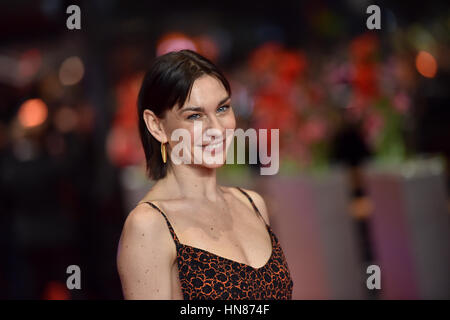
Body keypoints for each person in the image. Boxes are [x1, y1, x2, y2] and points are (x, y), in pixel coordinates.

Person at [116, 49, 293, 299]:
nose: (217, 129)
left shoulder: (252, 204)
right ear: (157, 126)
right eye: (195, 115)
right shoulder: (149, 224)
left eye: (222, 109)